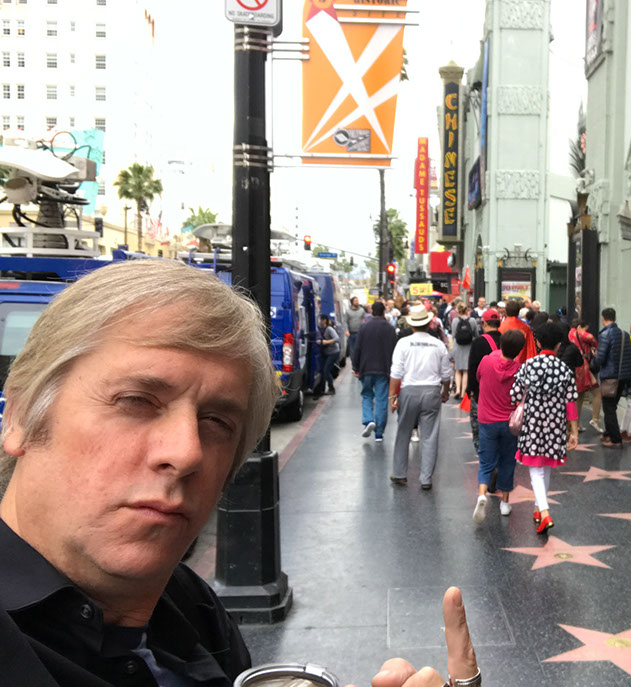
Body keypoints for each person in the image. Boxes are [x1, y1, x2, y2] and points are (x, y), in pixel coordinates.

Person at [0, 260, 481, 687]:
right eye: (136, 401)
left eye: (216, 422)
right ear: (20, 415)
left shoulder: (192, 608)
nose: (186, 452)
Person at [510, 322, 579, 533]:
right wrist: (574, 431)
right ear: (558, 345)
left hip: (532, 423)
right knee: (546, 468)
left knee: (535, 470)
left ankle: (545, 512)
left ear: (538, 343)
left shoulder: (528, 365)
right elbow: (570, 402)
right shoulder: (564, 369)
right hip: (555, 425)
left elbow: (514, 394)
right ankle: (538, 508)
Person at [389, 304, 452, 489]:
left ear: (411, 325)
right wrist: (445, 391)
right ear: (428, 323)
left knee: (403, 432)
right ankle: (426, 478)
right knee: (430, 436)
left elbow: (396, 373)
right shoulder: (438, 344)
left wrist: (392, 396)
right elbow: (446, 374)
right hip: (432, 391)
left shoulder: (403, 343)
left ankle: (400, 473)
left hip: (409, 391)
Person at [472, 330, 525, 523]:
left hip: (487, 419)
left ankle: (482, 494)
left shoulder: (486, 361)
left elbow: (478, 378)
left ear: (501, 343)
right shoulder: (519, 368)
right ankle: (505, 502)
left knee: (486, 462)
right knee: (507, 461)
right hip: (510, 422)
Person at [353, 300, 398, 441]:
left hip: (366, 367)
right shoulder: (390, 329)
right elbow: (394, 350)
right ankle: (379, 433)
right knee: (381, 399)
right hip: (384, 369)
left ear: (372, 312)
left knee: (367, 395)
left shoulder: (364, 327)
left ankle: (368, 420)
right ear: (384, 312)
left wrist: (355, 367)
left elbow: (357, 348)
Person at [595, 307, 631, 448]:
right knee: (612, 406)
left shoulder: (606, 334)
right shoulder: (624, 334)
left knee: (608, 408)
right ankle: (608, 432)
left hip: (610, 377)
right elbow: (629, 356)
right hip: (623, 376)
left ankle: (615, 439)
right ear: (615, 318)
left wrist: (592, 365)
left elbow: (600, 357)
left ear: (602, 318)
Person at [466, 309, 502, 452]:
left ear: (484, 323)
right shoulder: (506, 339)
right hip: (503, 392)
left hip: (482, 392)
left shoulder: (478, 342)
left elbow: (473, 367)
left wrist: (471, 389)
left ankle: (483, 452)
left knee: (479, 425)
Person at [569, 319, 602, 433]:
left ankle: (576, 423)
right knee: (597, 392)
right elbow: (590, 337)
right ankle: (595, 419)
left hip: (575, 367)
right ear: (579, 327)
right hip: (583, 367)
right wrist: (596, 345)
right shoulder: (578, 333)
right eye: (585, 329)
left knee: (579, 395)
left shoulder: (570, 333)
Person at [451, 302, 479, 400]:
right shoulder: (472, 320)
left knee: (458, 369)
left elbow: (453, 335)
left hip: (458, 346)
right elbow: (476, 334)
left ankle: (458, 390)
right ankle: (463, 392)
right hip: (469, 346)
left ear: (458, 311)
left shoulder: (455, 321)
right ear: (467, 310)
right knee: (466, 370)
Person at [318, 314, 341, 395]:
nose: (319, 322)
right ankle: (323, 388)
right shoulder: (321, 329)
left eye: (320, 320)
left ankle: (331, 388)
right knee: (324, 370)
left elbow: (337, 338)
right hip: (327, 353)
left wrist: (326, 342)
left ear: (324, 320)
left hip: (333, 352)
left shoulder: (329, 329)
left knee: (326, 370)